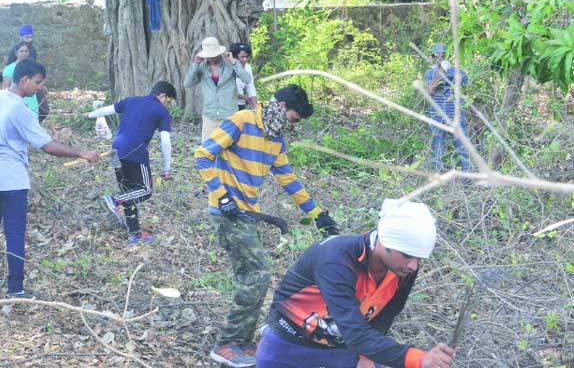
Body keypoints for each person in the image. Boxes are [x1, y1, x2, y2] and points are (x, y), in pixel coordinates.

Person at [197, 84, 340, 367]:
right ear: (282, 107)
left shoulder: (275, 139)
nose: (293, 125)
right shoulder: (242, 121)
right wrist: (222, 194)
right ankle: (226, 344)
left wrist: (317, 215)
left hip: (250, 214)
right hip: (227, 213)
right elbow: (203, 155)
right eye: (294, 119)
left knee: (251, 276)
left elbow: (288, 179)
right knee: (258, 275)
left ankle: (241, 341)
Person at [256, 198, 456, 368]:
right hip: (290, 344)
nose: (414, 266)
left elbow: (385, 313)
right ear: (385, 242)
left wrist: (368, 357)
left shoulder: (403, 267)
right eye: (408, 256)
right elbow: (355, 333)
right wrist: (420, 359)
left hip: (343, 348)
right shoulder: (336, 259)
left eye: (420, 258)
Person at [0, 59, 100, 297]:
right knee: (14, 232)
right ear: (24, 80)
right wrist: (81, 152)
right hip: (11, 178)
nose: (39, 88)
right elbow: (46, 145)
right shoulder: (20, 109)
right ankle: (15, 289)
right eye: (37, 82)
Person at [86, 81, 177, 245]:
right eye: (169, 101)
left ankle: (135, 234)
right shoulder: (161, 111)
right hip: (135, 153)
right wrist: (167, 168)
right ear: (163, 96)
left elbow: (108, 109)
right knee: (144, 190)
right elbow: (165, 142)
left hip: (115, 151)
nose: (168, 105)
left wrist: (89, 115)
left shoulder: (131, 100)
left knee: (129, 192)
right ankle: (113, 201)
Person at [184, 36, 251, 143]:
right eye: (208, 56)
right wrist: (195, 65)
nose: (210, 58)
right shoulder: (202, 67)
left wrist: (234, 62)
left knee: (230, 149)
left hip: (229, 115)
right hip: (210, 115)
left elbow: (247, 79)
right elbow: (187, 84)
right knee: (207, 149)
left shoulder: (230, 64)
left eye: (213, 55)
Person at [423, 44, 472, 172]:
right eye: (437, 55)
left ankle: (468, 178)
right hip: (438, 117)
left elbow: (467, 93)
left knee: (462, 148)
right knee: (438, 147)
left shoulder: (459, 72)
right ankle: (439, 179)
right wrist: (441, 73)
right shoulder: (430, 73)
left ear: (449, 55)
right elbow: (429, 92)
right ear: (433, 57)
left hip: (457, 117)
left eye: (444, 55)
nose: (440, 58)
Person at [2, 43, 39, 116]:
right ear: (16, 53)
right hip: (16, 102)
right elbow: (5, 89)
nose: (24, 53)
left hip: (32, 101)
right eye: (21, 51)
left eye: (26, 51)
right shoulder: (9, 68)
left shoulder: (33, 67)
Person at [230, 42, 258, 111]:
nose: (245, 59)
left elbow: (250, 87)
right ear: (235, 57)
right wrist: (243, 97)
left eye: (247, 57)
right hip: (228, 105)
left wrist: (256, 108)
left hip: (240, 105)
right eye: (242, 57)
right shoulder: (229, 68)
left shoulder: (247, 67)